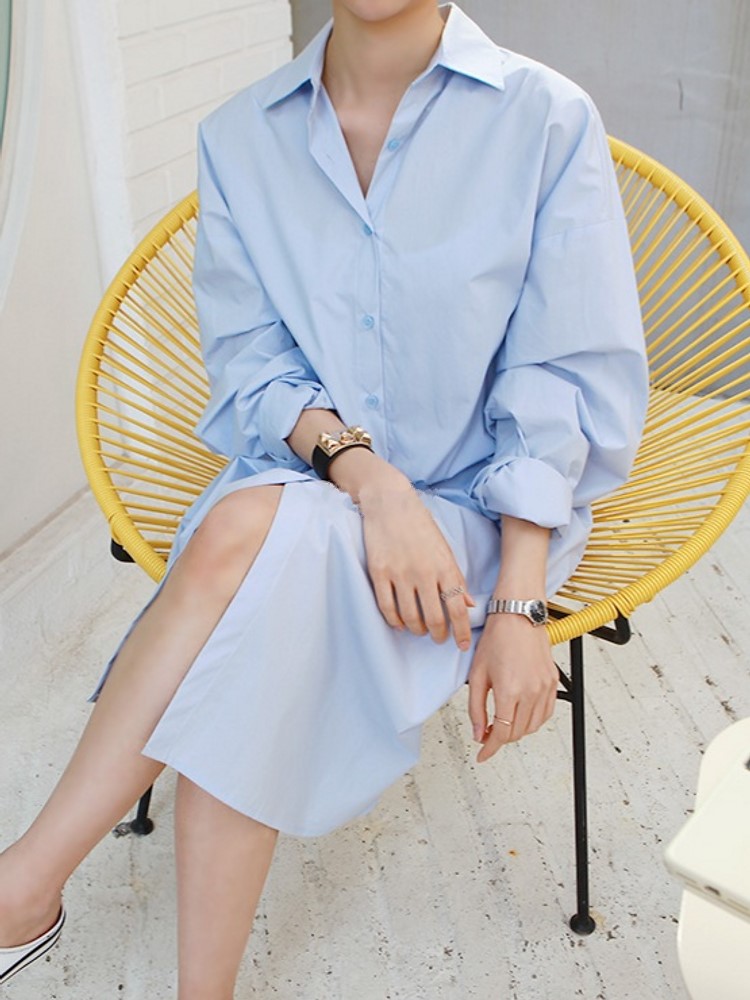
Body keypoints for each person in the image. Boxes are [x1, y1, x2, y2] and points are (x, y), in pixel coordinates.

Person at [0, 0, 648, 996]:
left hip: (485, 512)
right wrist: (370, 481)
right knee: (276, 540)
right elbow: (253, 364)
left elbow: (559, 374)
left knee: (252, 542)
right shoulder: (240, 136)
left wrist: (520, 602)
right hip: (316, 480)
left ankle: (23, 890)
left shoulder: (544, 117)